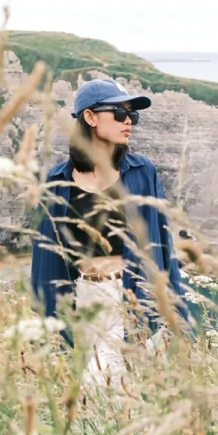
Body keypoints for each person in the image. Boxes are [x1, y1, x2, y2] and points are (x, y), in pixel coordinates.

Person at [30, 77, 189, 385]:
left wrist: (176, 310)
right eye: (119, 112)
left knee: (98, 383)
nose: (128, 120)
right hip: (84, 299)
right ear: (89, 117)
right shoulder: (57, 179)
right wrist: (46, 328)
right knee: (105, 400)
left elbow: (162, 241)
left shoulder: (142, 171)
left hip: (130, 296)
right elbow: (45, 258)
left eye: (133, 115)